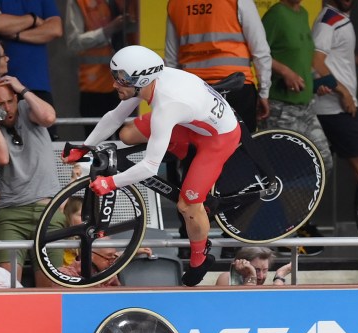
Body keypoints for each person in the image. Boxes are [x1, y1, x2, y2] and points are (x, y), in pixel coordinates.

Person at [67, 45, 241, 287]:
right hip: (190, 120)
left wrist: (111, 183)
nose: (115, 85)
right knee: (127, 134)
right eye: (114, 76)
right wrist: (84, 146)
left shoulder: (166, 106)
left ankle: (200, 258)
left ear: (142, 79)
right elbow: (115, 117)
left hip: (217, 137)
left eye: (122, 80)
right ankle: (177, 149)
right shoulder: (146, 84)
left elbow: (149, 168)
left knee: (188, 204)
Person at [312, 0, 358, 237]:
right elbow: (316, 60)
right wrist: (343, 92)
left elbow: (337, 55)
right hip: (333, 108)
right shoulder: (328, 20)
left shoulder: (339, 18)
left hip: (338, 108)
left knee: (357, 166)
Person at [0, 76, 63, 286]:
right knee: (7, 285)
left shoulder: (27, 107)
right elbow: (2, 157)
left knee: (51, 287)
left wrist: (23, 90)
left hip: (48, 210)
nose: (7, 108)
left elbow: (49, 117)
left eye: (10, 101)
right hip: (11, 213)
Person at [165, 0, 272, 133]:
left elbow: (171, 61)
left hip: (194, 91)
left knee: (198, 148)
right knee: (242, 148)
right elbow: (260, 50)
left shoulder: (176, 3)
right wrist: (264, 93)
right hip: (237, 87)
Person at [261, 0, 332, 173]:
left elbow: (301, 59)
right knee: (279, 168)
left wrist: (313, 85)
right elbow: (258, 53)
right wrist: (285, 72)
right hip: (281, 107)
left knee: (324, 162)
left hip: (305, 106)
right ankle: (278, 199)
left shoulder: (303, 14)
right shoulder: (276, 14)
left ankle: (302, 199)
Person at [0, 0, 62, 133]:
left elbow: (55, 29)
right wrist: (33, 19)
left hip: (37, 85)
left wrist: (14, 34)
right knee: (5, 140)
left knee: (45, 139)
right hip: (0, 89)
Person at [65, 0, 136, 122]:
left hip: (131, 83)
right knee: (97, 137)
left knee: (130, 136)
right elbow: (73, 43)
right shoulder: (80, 2)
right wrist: (106, 30)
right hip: (95, 86)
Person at [215, 246, 291, 286]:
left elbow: (275, 300)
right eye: (256, 270)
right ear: (242, 265)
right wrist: (250, 275)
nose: (261, 276)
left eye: (264, 270)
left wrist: (280, 275)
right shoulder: (226, 278)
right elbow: (246, 302)